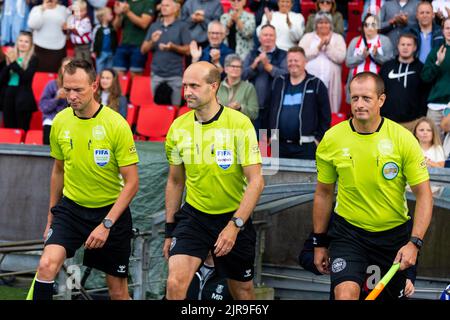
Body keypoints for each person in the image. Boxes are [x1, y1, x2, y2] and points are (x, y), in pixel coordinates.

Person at [313, 71, 433, 300]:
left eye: (366, 98)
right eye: (354, 98)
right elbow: (323, 193)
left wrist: (414, 243)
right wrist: (319, 242)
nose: (359, 104)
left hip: (393, 238)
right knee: (345, 295)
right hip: (349, 234)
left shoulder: (403, 139)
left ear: (381, 100)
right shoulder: (332, 138)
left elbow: (425, 195)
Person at [31, 59, 139, 300]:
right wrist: (51, 214)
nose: (71, 96)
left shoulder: (116, 124)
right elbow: (58, 171)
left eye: (78, 89)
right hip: (71, 210)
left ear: (94, 85)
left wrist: (106, 225)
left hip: (110, 213)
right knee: (46, 265)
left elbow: (132, 183)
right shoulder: (60, 121)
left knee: (118, 291)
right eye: (67, 89)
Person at [163, 61, 264, 300]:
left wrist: (234, 226)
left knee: (243, 292)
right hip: (194, 217)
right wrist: (169, 230)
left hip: (232, 217)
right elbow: (175, 182)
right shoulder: (178, 127)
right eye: (185, 85)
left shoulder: (239, 124)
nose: (187, 92)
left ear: (214, 87)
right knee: (175, 283)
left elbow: (256, 181)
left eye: (195, 86)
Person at [268, 46, 331, 160]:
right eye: (290, 61)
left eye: (296, 60)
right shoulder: (279, 82)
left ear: (305, 62)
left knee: (305, 178)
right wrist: (266, 139)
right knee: (274, 177)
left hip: (306, 145)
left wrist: (318, 140)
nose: (293, 63)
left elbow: (325, 117)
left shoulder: (316, 84)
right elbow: (268, 111)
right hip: (277, 144)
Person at [141, 0, 191, 106]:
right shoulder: (154, 26)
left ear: (176, 8)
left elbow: (188, 50)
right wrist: (152, 41)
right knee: (157, 110)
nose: (163, 7)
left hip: (175, 75)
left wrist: (173, 47)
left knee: (175, 109)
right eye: (162, 5)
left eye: (167, 5)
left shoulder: (182, 26)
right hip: (156, 74)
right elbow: (143, 50)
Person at [242, 24, 288, 131]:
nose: (268, 38)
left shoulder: (283, 55)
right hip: (255, 108)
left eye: (271, 35)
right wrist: (254, 65)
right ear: (259, 38)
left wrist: (268, 66)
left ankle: (275, 148)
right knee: (259, 143)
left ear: (275, 37)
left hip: (276, 107)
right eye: (265, 35)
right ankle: (262, 147)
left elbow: (286, 77)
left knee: (274, 143)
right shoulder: (252, 54)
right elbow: (242, 76)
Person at [299, 11, 346, 114]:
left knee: (329, 112)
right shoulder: (307, 37)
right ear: (316, 25)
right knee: (310, 111)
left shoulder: (338, 38)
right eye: (320, 22)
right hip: (310, 81)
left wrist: (328, 47)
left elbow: (341, 57)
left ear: (331, 24)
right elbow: (300, 55)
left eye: (326, 22)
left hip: (331, 82)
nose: (323, 25)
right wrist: (318, 47)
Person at [379, 33, 429, 131]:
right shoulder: (386, 67)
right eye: (402, 44)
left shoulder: (421, 69)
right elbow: (379, 91)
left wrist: (420, 118)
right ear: (398, 46)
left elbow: (424, 95)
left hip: (412, 122)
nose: (405, 47)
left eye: (409, 45)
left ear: (415, 47)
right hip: (387, 121)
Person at [345, 14, 393, 103]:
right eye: (366, 25)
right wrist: (362, 56)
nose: (369, 28)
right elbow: (348, 62)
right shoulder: (355, 41)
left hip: (375, 86)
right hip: (356, 85)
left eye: (373, 24)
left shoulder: (385, 41)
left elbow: (390, 63)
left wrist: (377, 56)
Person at [0, 30, 38, 131]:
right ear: (17, 42)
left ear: (31, 44)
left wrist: (13, 63)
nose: (23, 44)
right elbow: (2, 79)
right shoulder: (9, 56)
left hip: (23, 98)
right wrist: (8, 64)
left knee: (22, 128)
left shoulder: (33, 59)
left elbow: (26, 78)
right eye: (20, 40)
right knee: (9, 129)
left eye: (26, 41)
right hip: (8, 96)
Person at [421, 17, 450, 140]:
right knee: (432, 145)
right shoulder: (436, 52)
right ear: (443, 30)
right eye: (448, 28)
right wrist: (437, 63)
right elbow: (425, 78)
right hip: (436, 106)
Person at [112, 0, 155, 77]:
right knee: (117, 78)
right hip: (123, 44)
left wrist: (128, 12)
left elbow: (144, 24)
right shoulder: (125, 2)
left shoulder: (148, 2)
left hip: (138, 45)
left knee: (135, 79)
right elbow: (116, 27)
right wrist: (118, 15)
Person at [27, 0, 70, 73]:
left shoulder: (63, 10)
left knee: (57, 76)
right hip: (40, 49)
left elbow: (68, 26)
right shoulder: (36, 9)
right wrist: (41, 10)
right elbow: (33, 25)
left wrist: (67, 28)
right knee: (39, 76)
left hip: (58, 48)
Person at [39, 57, 72, 145]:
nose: (67, 69)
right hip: (52, 120)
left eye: (71, 66)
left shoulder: (79, 87)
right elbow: (43, 107)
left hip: (71, 123)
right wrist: (56, 98)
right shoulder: (52, 85)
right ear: (61, 69)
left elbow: (83, 110)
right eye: (65, 66)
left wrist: (70, 99)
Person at [217, 54, 259, 120]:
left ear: (242, 70)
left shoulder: (249, 87)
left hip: (240, 128)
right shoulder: (217, 87)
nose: (236, 69)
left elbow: (254, 114)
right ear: (226, 69)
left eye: (239, 67)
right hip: (220, 127)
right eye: (233, 66)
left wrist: (240, 108)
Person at [92, 6, 117, 73]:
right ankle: (99, 81)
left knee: (109, 70)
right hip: (101, 52)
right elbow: (94, 39)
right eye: (110, 14)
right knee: (99, 70)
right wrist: (93, 50)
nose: (112, 16)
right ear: (104, 17)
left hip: (110, 52)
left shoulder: (112, 27)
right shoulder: (97, 28)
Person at [67, 0, 93, 64]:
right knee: (78, 60)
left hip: (85, 45)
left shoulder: (86, 21)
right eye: (76, 11)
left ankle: (88, 72)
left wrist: (69, 27)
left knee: (87, 60)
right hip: (76, 45)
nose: (79, 13)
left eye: (81, 11)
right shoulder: (73, 19)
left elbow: (79, 32)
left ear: (86, 11)